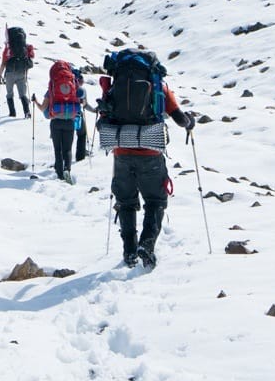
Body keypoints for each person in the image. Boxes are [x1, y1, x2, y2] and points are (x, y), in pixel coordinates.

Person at [98, 48, 194, 268]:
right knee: (156, 201)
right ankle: (147, 245)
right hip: (151, 152)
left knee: (126, 203)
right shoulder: (159, 86)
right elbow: (180, 118)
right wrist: (190, 123)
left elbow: (104, 116)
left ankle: (129, 251)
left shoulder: (114, 86)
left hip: (122, 151)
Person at [36, 58, 86, 183]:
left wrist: (35, 102)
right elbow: (82, 98)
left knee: (57, 150)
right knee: (68, 149)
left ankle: (59, 175)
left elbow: (43, 108)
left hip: (56, 121)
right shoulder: (74, 84)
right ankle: (67, 170)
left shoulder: (52, 87)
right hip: (70, 121)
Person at [0, 25, 35, 117]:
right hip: (21, 73)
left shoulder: (8, 49)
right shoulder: (25, 48)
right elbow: (28, 62)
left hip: (10, 73)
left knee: (9, 94)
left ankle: (12, 113)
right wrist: (26, 74)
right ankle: (27, 112)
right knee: (22, 94)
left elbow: (3, 63)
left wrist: (0, 74)